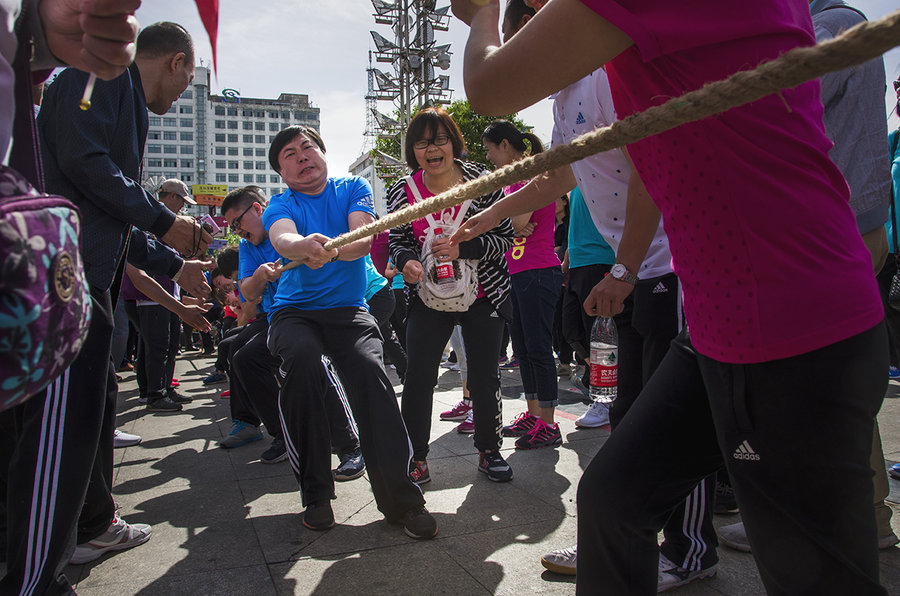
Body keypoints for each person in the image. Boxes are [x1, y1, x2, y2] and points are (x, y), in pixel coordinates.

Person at [452, 0, 888, 594]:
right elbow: (569, 162)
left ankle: (691, 551)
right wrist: (494, 215)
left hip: (790, 322)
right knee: (614, 499)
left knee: (814, 575)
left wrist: (480, 12)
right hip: (718, 322)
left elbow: (490, 86)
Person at [718, 0, 898, 554]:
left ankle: (833, 520)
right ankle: (862, 518)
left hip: (835, 233)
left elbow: (771, 98)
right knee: (832, 385)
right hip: (840, 230)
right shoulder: (831, 24)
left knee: (817, 382)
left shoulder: (832, 25)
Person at [34, 20, 212, 570]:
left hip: (90, 268)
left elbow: (110, 209)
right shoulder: (103, 76)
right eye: (184, 84)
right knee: (69, 411)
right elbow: (88, 166)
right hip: (68, 272)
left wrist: (176, 262)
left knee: (95, 400)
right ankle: (61, 538)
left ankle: (92, 521)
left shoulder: (121, 94)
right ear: (177, 61)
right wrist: (165, 222)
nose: (180, 95)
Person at [262, 125, 436, 538]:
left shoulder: (352, 187)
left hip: (349, 311)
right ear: (282, 172)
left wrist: (333, 249)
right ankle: (316, 495)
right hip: (294, 314)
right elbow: (281, 237)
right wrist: (302, 245)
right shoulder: (279, 204)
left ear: (323, 153)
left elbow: (364, 236)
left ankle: (403, 500)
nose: (302, 157)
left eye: (308, 148)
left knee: (370, 372)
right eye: (290, 154)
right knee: (302, 364)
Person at [387, 107, 515, 483]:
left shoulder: (482, 180)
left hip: (484, 292)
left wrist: (465, 250)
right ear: (413, 149)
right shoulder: (402, 190)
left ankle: (489, 451)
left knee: (484, 375)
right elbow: (397, 239)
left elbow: (505, 236)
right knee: (419, 376)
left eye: (440, 139)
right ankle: (415, 457)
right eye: (423, 142)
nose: (433, 149)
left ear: (453, 142)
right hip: (427, 297)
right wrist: (407, 261)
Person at [219, 189, 365, 476]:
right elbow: (248, 292)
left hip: (315, 312)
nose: (237, 231)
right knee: (244, 357)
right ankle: (283, 435)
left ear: (259, 210)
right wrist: (261, 275)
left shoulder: (291, 220)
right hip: (278, 319)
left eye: (238, 223)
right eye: (232, 227)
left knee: (310, 358)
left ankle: (351, 444)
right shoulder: (248, 247)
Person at [481, 119, 564, 449]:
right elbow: (511, 226)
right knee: (524, 349)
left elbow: (515, 223)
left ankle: (549, 423)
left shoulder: (528, 177)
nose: (488, 157)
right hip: (517, 271)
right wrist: (509, 227)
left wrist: (506, 225)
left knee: (540, 348)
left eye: (489, 150)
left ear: (504, 145)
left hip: (538, 269)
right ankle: (533, 414)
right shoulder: (511, 184)